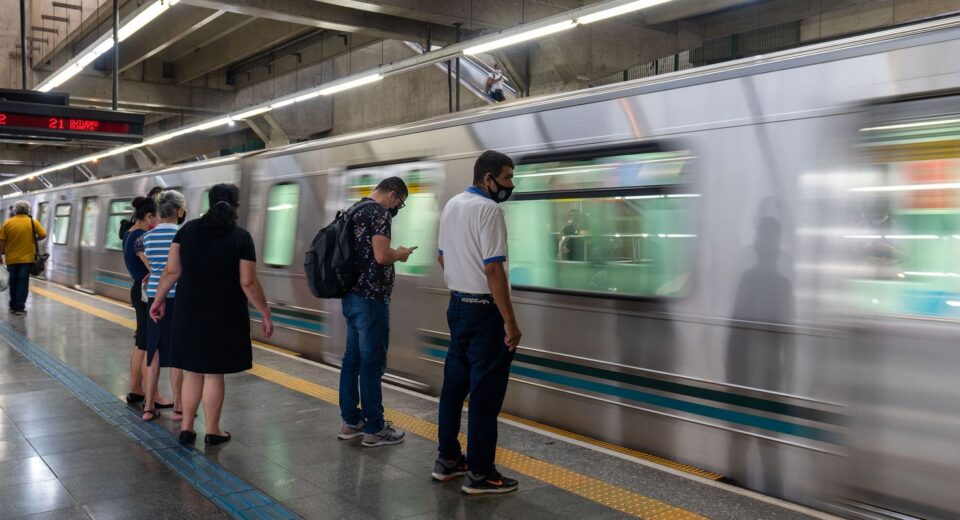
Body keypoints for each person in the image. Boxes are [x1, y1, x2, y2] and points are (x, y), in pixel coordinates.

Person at [150, 184, 273, 445]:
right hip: (224, 313)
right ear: (236, 206)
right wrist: (265, 312)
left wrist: (158, 300)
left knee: (193, 370)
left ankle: (186, 427)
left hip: (188, 310)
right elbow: (248, 282)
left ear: (209, 202)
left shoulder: (186, 231)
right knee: (214, 373)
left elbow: (172, 272)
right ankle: (213, 430)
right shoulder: (241, 236)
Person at [433, 150, 521, 494]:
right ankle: (481, 474)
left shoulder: (452, 205)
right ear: (488, 179)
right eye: (507, 177)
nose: (510, 185)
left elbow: (441, 257)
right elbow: (493, 269)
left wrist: (461, 283)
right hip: (485, 313)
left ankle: (448, 460)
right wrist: (509, 321)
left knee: (454, 388)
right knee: (485, 395)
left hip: (457, 306)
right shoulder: (489, 210)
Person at [337, 177, 413, 447]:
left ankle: (350, 422)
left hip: (351, 297)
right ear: (392, 195)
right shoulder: (379, 213)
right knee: (371, 364)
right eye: (400, 204)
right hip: (371, 301)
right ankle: (375, 428)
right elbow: (381, 256)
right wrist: (400, 253)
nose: (396, 209)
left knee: (352, 361)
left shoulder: (354, 209)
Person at [140, 191, 187, 421]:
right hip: (178, 296)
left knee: (154, 352)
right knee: (178, 352)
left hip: (154, 297)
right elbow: (180, 268)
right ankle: (179, 408)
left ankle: (148, 407)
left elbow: (156, 268)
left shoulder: (148, 237)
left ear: (158, 213)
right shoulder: (183, 234)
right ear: (179, 211)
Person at [121, 196, 173, 407]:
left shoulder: (129, 233)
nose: (158, 222)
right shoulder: (141, 237)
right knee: (150, 346)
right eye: (157, 217)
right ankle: (154, 396)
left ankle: (136, 389)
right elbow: (154, 267)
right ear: (149, 216)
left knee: (141, 344)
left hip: (137, 290)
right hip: (146, 293)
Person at [0, 201, 47, 316]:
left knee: (13, 282)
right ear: (28, 210)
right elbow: (43, 235)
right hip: (27, 259)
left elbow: (2, 241)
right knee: (22, 282)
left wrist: (0, 255)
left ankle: (12, 305)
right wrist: (33, 238)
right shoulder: (32, 222)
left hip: (11, 259)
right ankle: (19, 307)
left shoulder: (8, 223)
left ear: (15, 210)